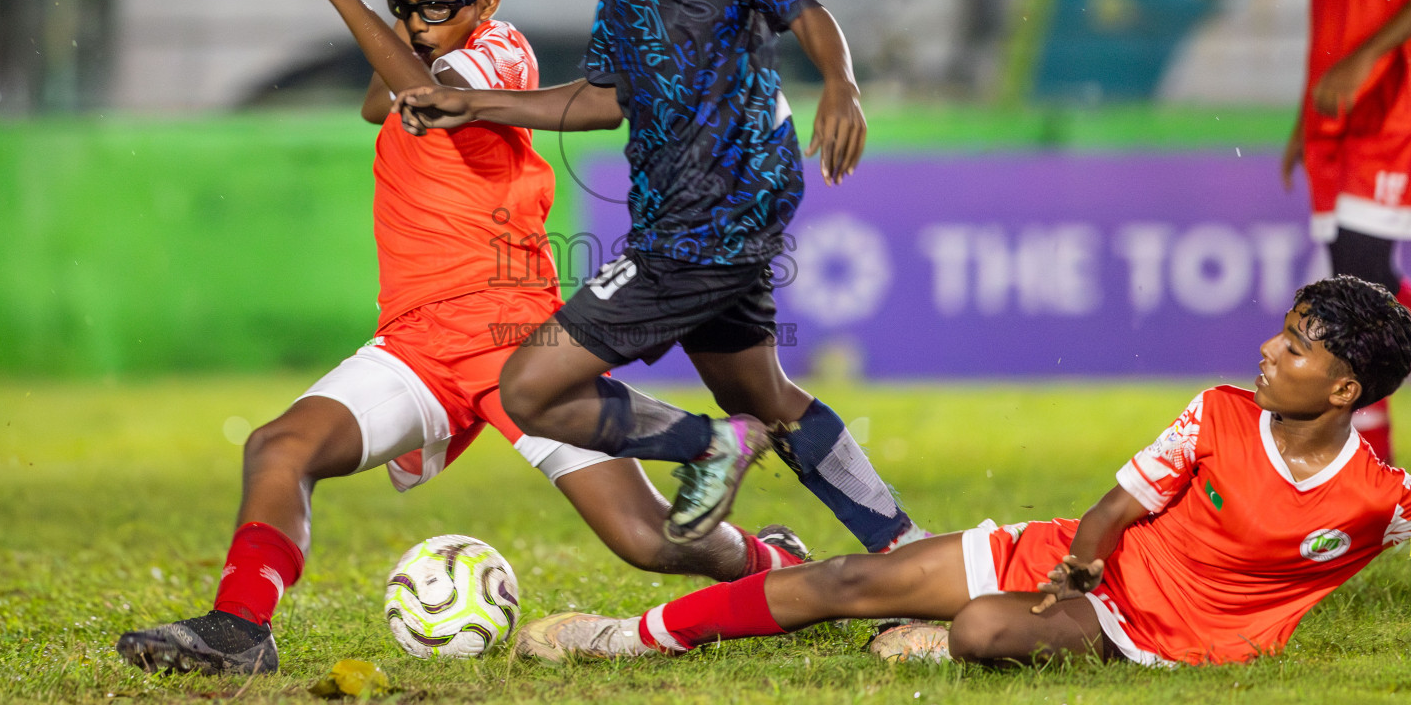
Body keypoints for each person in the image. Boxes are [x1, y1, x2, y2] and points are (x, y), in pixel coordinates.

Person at [113, 0, 810, 678]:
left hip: (510, 339)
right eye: (404, 3)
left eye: (438, 6)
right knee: (280, 447)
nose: (415, 21)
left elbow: (422, 91)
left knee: (648, 541)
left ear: (490, 3)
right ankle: (240, 630)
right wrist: (432, 15)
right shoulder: (432, 45)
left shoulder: (503, 51)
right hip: (416, 344)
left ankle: (770, 563)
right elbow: (385, 100)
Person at [399, 0, 922, 553]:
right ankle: (908, 548)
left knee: (532, 388)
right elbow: (605, 98)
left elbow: (804, 9)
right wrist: (469, 103)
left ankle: (711, 445)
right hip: (702, 221)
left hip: (704, 221)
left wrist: (842, 82)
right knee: (765, 394)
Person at [513, 275, 1411, 669]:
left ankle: (941, 636)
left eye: (1292, 347)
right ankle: (627, 637)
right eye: (1279, 331)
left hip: (1163, 638)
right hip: (1081, 566)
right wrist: (1078, 566)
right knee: (850, 577)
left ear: (1343, 387)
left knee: (982, 633)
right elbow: (1113, 509)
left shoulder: (1376, 497)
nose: (1268, 349)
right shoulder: (1220, 410)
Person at [1285, 0, 1411, 464]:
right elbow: (1327, 1)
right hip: (1334, 115)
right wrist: (1303, 114)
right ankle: (1377, 480)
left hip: (1395, 105)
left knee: (1362, 296)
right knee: (1355, 291)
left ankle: (1372, 479)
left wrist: (1368, 58)